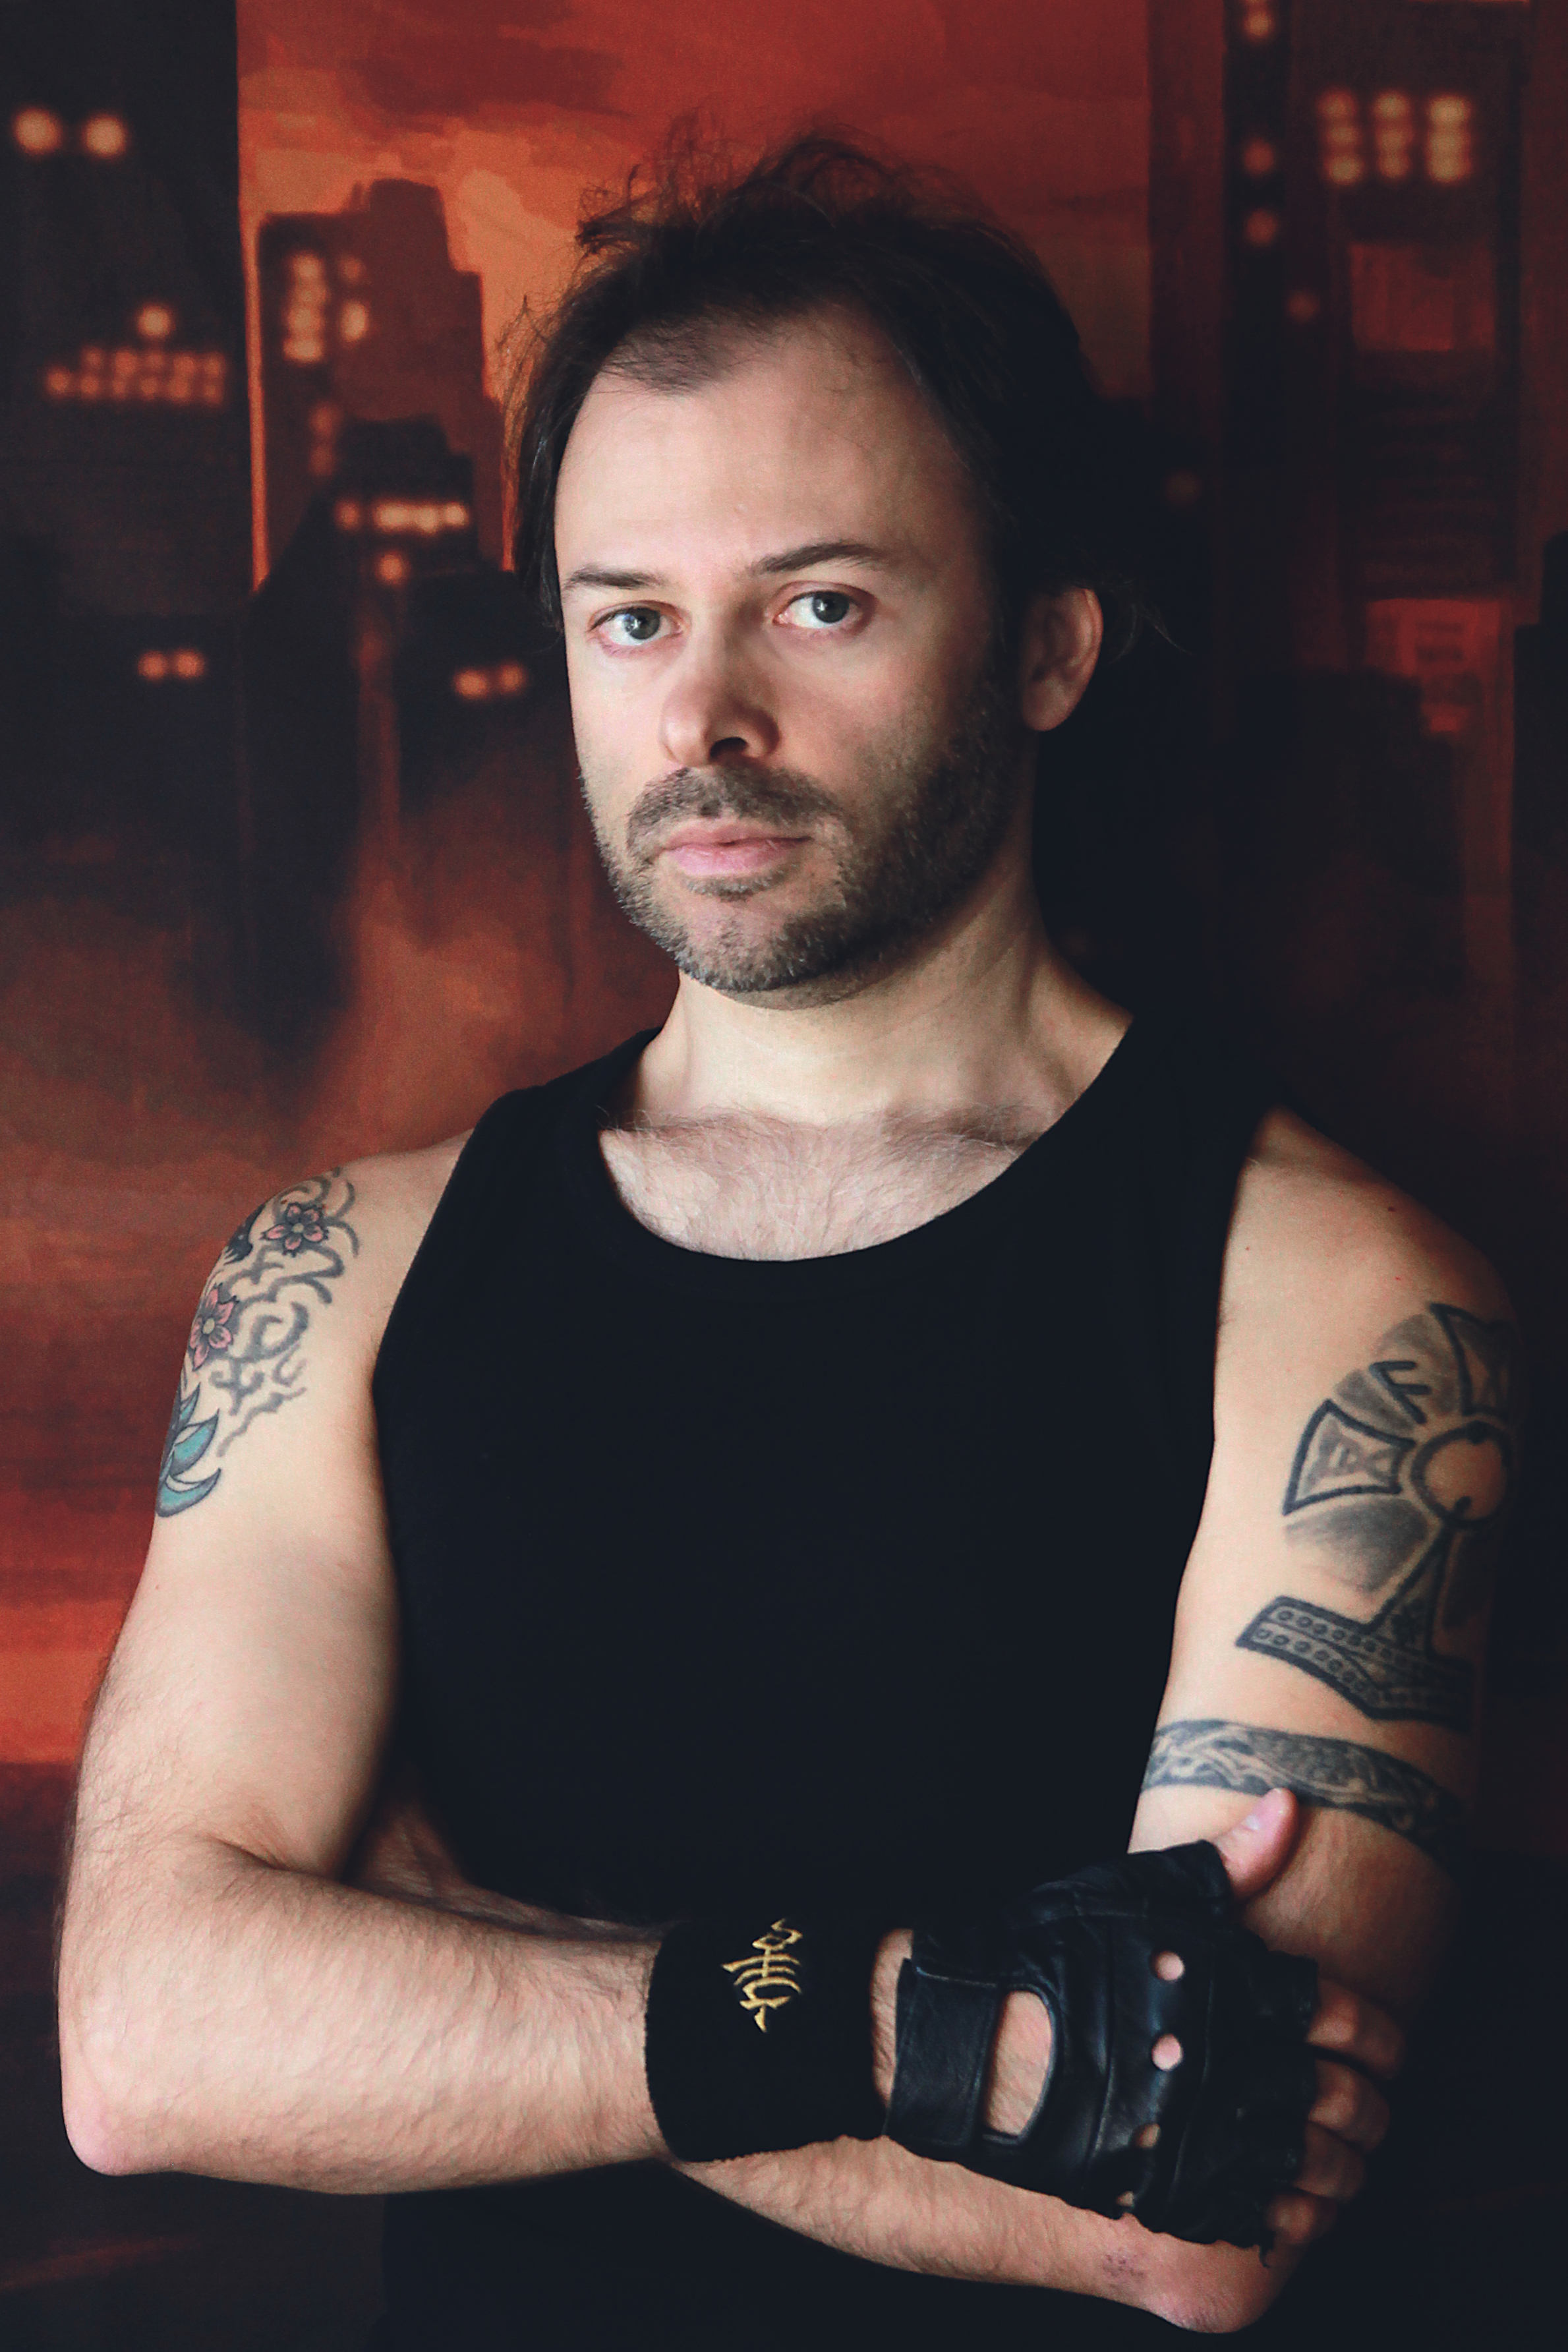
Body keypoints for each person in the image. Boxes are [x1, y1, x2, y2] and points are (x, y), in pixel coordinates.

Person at [57, 140, 1515, 2349]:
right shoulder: (340, 1277)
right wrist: (891, 2019)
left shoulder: (1331, 1298)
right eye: (629, 616)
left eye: (818, 604)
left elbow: (1187, 2209)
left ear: (1046, 646)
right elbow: (148, 2038)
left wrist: (430, 1947)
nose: (701, 718)